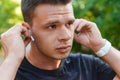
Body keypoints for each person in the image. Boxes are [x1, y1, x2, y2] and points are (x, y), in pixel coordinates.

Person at [0, 0, 120, 80]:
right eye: (52, 26)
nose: (66, 36)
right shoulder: (10, 72)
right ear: (27, 29)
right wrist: (12, 59)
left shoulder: (85, 66)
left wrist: (100, 46)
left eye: (69, 24)